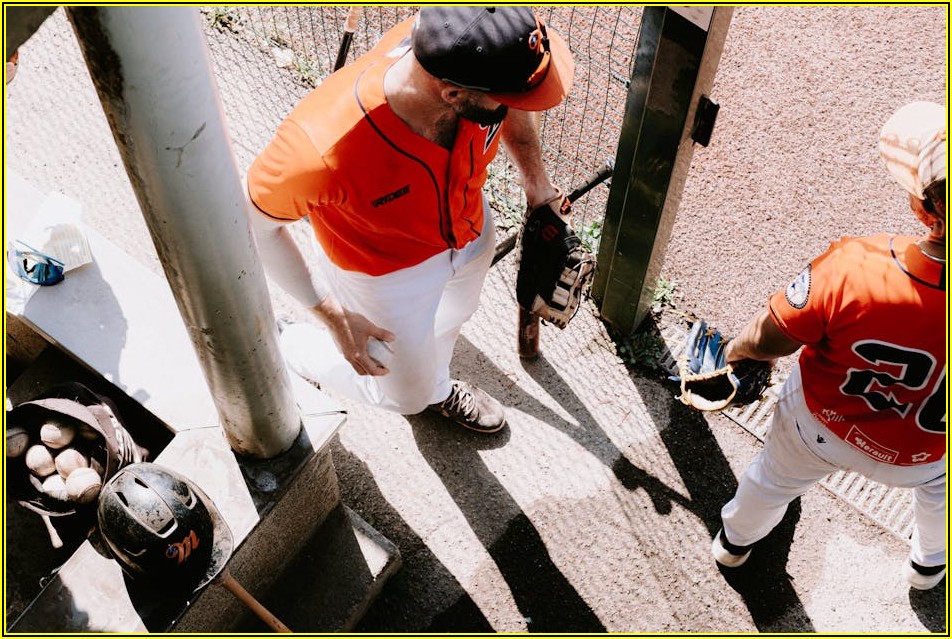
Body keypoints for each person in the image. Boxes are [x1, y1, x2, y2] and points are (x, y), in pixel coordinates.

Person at [244, 7, 574, 433]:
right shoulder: (321, 148)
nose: (516, 104)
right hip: (384, 273)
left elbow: (512, 97)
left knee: (455, 315)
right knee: (402, 394)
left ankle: (434, 384)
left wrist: (537, 184)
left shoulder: (460, 48)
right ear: (453, 94)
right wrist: (332, 313)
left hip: (471, 230)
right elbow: (253, 225)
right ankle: (289, 343)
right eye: (507, 96)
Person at [711, 101, 946, 591]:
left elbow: (770, 337)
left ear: (923, 209)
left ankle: (734, 545)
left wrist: (735, 352)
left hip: (822, 427)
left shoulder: (857, 265)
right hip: (929, 457)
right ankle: (929, 569)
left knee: (773, 480)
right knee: (941, 504)